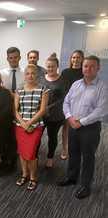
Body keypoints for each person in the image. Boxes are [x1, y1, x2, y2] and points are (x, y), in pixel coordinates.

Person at [57, 55, 108, 199]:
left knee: (88, 156)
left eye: (92, 66)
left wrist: (81, 122)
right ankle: (72, 177)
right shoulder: (76, 84)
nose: (88, 69)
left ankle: (86, 185)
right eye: (86, 66)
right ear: (82, 67)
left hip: (90, 128)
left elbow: (102, 110)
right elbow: (66, 102)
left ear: (98, 68)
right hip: (73, 124)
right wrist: (69, 117)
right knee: (73, 153)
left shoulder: (102, 87)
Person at [14, 64, 48, 191]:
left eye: (33, 73)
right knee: (22, 153)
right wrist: (23, 123)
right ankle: (24, 174)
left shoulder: (43, 90)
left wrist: (29, 123)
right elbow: (15, 110)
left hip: (35, 126)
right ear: (25, 75)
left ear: (37, 75)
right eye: (28, 73)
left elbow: (42, 110)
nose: (30, 76)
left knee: (31, 154)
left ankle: (33, 177)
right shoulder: (19, 90)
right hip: (20, 126)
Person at [0, 47, 25, 172]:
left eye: (16, 57)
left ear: (20, 57)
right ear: (7, 58)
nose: (13, 60)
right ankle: (4, 161)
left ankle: (13, 162)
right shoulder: (1, 73)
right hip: (5, 109)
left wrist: (12, 94)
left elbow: (27, 92)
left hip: (21, 109)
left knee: (16, 137)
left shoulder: (26, 73)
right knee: (4, 135)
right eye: (11, 58)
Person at [40, 54, 67, 168]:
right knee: (37, 136)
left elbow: (63, 98)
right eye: (48, 66)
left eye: (53, 66)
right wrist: (42, 108)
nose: (50, 69)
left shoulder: (63, 80)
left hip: (56, 115)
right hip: (41, 114)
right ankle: (34, 156)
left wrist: (48, 107)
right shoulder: (41, 78)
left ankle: (50, 158)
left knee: (52, 137)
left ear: (57, 66)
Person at [60, 50, 84, 160]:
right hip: (68, 104)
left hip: (82, 104)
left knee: (80, 128)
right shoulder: (65, 72)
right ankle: (65, 149)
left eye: (78, 57)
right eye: (73, 57)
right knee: (66, 128)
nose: (75, 60)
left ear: (82, 59)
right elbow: (63, 88)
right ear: (71, 59)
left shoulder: (85, 72)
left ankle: (77, 149)